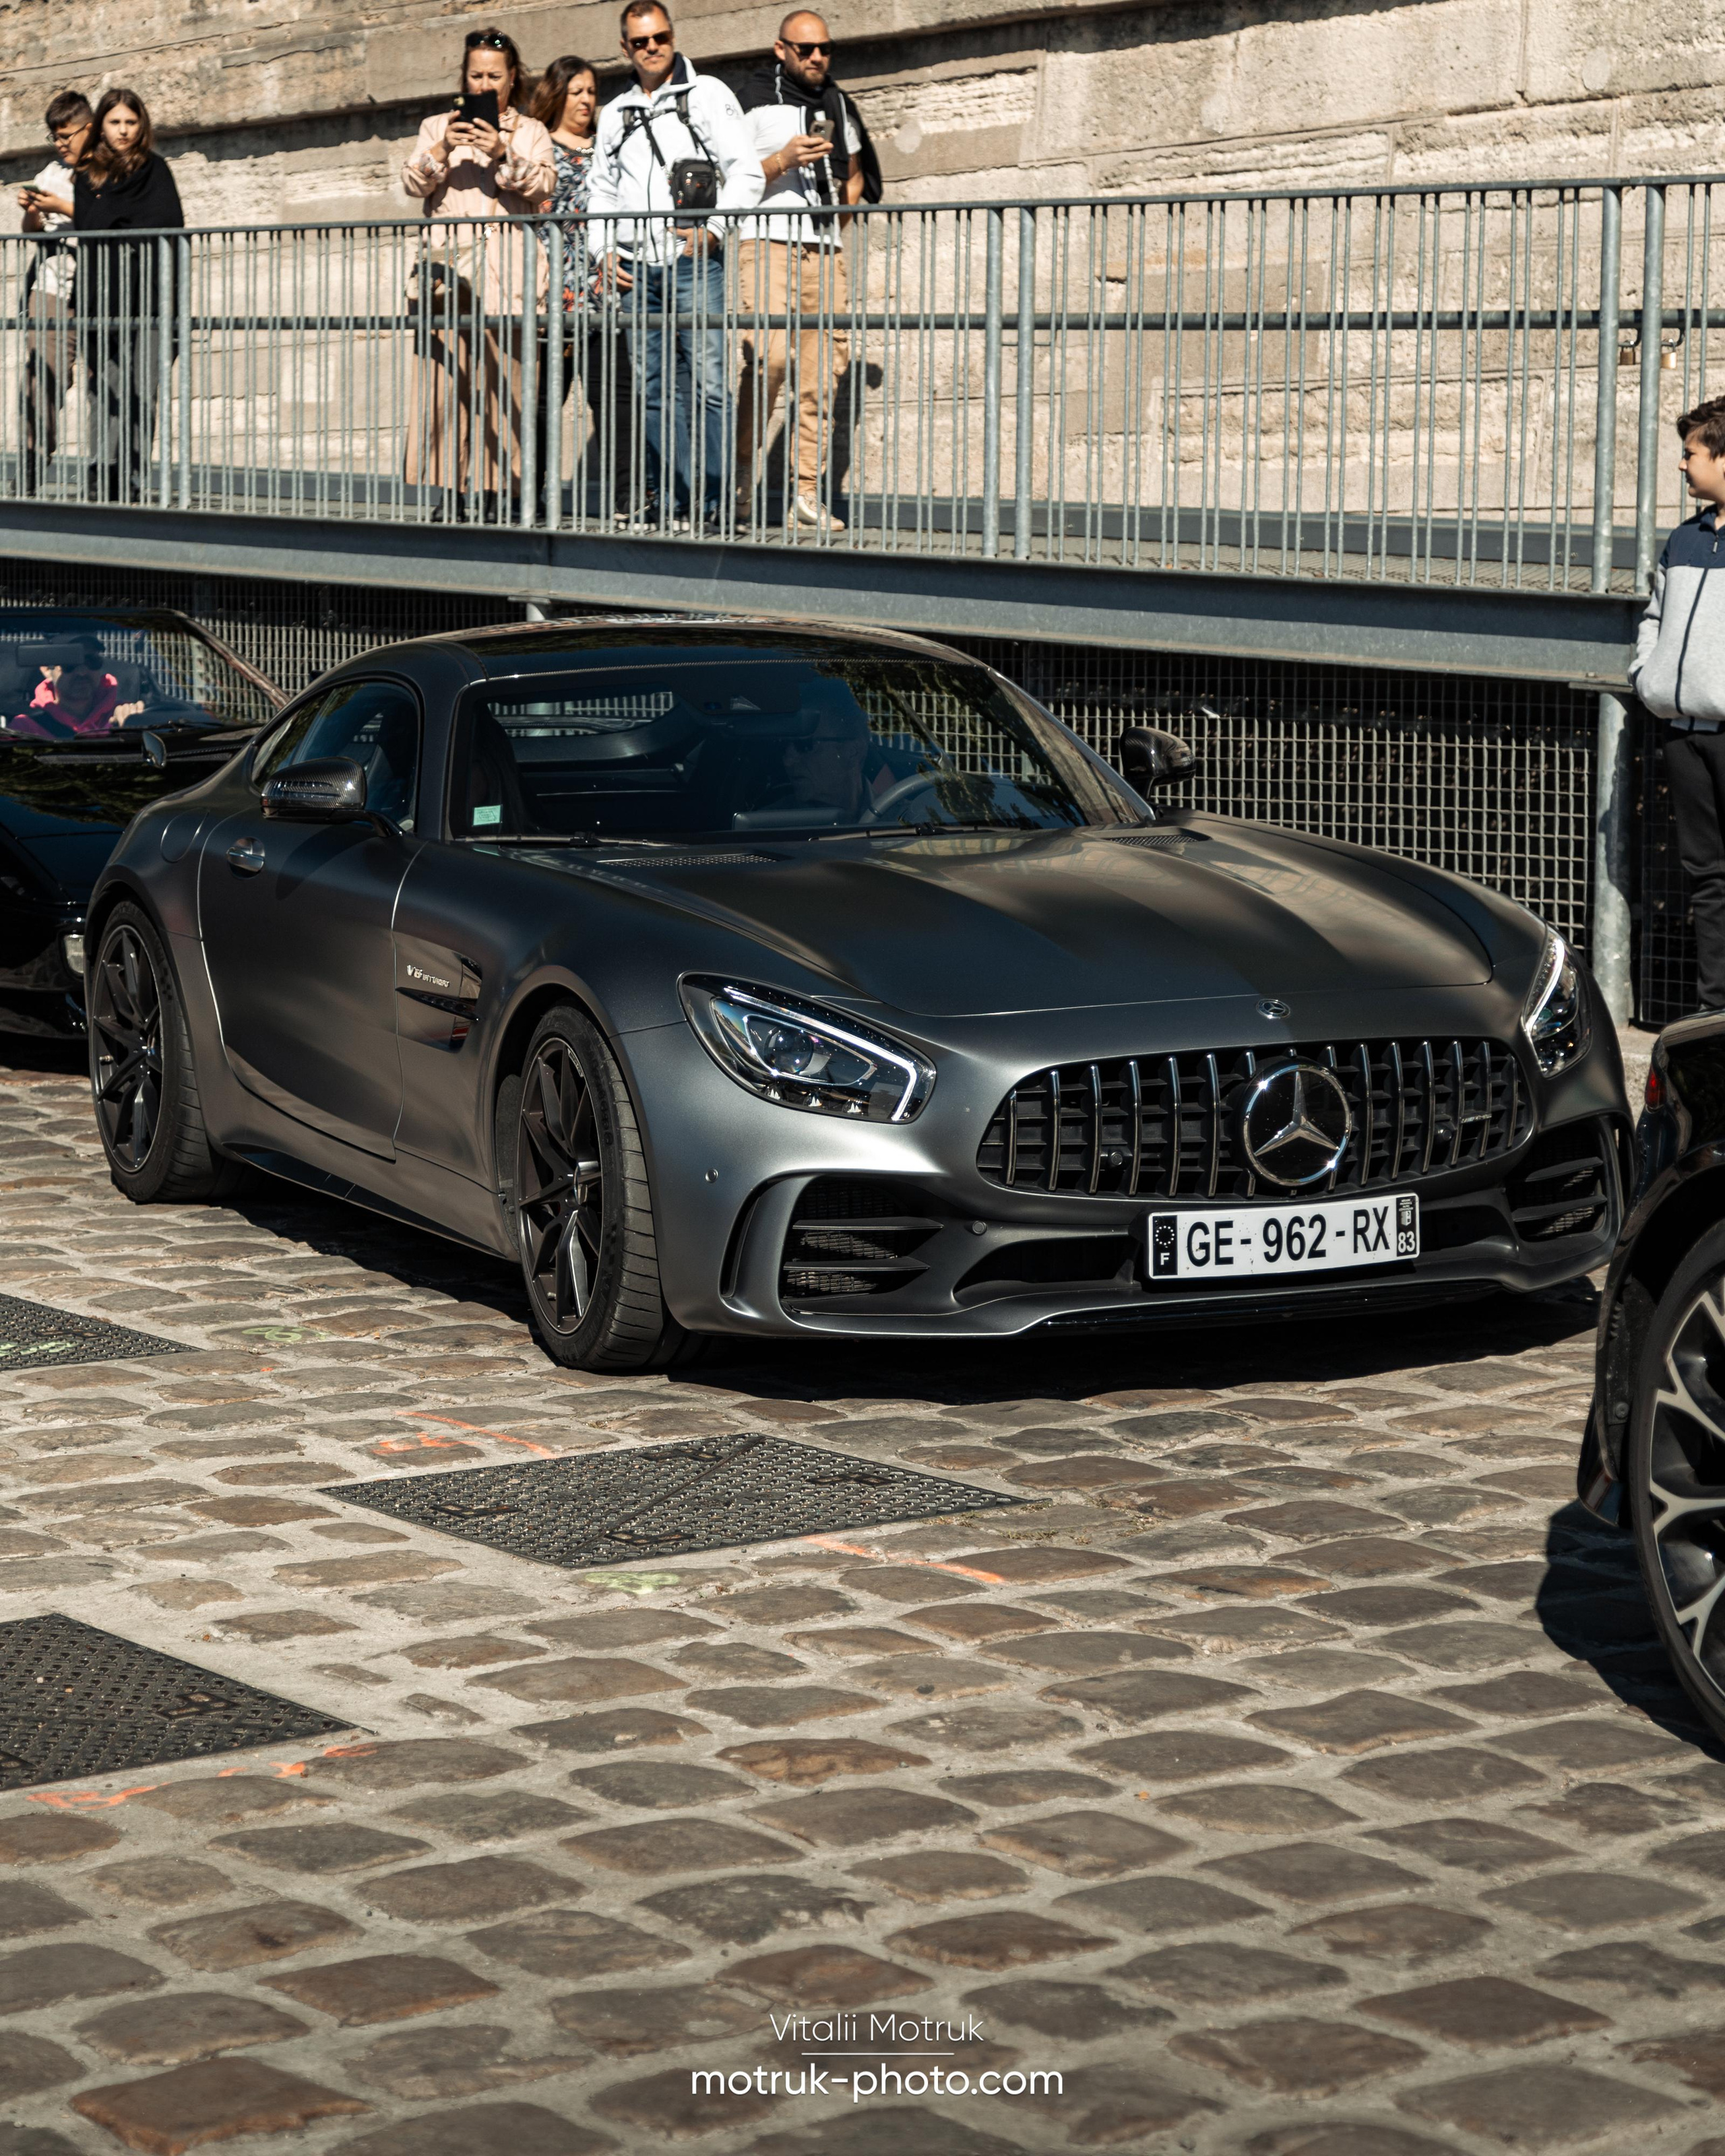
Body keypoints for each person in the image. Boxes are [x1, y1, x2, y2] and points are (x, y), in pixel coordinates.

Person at [587, 1, 762, 531]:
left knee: (710, 383)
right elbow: (601, 190)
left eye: (660, 37)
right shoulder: (613, 113)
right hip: (635, 270)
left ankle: (716, 505)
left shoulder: (706, 94)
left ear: (672, 35)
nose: (652, 48)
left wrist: (713, 230)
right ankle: (676, 499)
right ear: (625, 48)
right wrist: (603, 253)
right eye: (640, 42)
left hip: (692, 263)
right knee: (656, 389)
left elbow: (746, 172)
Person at [402, 27, 556, 523]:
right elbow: (411, 181)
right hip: (449, 276)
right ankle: (448, 494)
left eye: (495, 76)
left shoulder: (531, 131)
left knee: (501, 388)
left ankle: (494, 496)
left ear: (513, 80)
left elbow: (543, 185)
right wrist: (446, 147)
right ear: (464, 79)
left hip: (506, 277)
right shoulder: (435, 126)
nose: (484, 85)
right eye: (476, 76)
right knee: (446, 385)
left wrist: (502, 153)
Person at [734, 11, 879, 532]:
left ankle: (807, 494)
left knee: (824, 377)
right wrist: (782, 160)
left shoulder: (839, 103)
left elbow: (856, 175)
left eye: (825, 48)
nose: (817, 57)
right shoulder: (750, 99)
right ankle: (741, 479)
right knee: (768, 360)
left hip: (824, 249)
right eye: (805, 49)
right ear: (781, 49)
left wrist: (834, 223)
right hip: (768, 244)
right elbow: (733, 178)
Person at [1633, 393, 1725, 1013]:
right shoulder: (1684, 539)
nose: (1681, 465)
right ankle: (1715, 1009)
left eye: (1690, 453)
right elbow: (1655, 615)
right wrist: (1648, 676)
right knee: (1707, 878)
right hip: (1680, 729)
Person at [528, 55, 628, 519]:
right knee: (546, 402)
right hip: (554, 297)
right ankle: (532, 492)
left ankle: (628, 498)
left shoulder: (608, 146)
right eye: (577, 91)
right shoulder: (537, 145)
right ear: (558, 95)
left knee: (616, 400)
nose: (587, 100)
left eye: (592, 91)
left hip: (606, 293)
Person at [71, 88, 182, 506]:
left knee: (141, 390)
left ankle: (132, 480)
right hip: (101, 301)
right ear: (101, 125)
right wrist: (122, 224)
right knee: (104, 391)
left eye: (131, 123)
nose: (123, 131)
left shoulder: (156, 171)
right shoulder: (87, 174)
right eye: (115, 122)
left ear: (142, 126)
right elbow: (91, 225)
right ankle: (101, 475)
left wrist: (116, 223)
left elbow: (167, 226)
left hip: (150, 301)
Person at [15, 91, 92, 497]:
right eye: (55, 138)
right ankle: (30, 468)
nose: (61, 144)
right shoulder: (50, 173)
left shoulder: (108, 173)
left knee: (103, 385)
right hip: (50, 289)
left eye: (67, 135)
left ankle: (105, 477)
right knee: (42, 379)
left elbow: (111, 221)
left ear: (88, 129)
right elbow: (31, 234)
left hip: (100, 291)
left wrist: (64, 207)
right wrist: (32, 210)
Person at [9, 638, 144, 738]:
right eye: (70, 663)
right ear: (47, 670)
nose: (82, 672)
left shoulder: (123, 714)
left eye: (91, 661)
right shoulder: (25, 727)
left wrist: (137, 722)